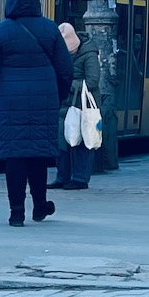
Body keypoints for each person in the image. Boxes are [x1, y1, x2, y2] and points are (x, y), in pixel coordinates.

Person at [0, 0, 74, 227]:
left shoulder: (0, 32)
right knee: (39, 156)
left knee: (15, 157)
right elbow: (65, 70)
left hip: (10, 102)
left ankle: (16, 212)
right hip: (44, 100)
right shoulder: (50, 30)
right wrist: (59, 96)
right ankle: (40, 206)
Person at [50, 22, 100, 191]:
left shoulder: (89, 54)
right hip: (64, 105)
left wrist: (67, 84)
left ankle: (80, 178)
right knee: (61, 141)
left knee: (83, 142)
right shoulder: (61, 54)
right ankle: (62, 177)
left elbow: (92, 81)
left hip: (83, 107)